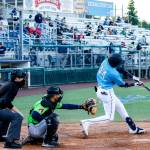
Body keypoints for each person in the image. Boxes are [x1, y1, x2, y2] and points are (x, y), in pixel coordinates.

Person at [80, 53, 145, 137]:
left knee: (120, 107)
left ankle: (133, 128)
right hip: (107, 93)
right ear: (115, 63)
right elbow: (123, 85)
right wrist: (136, 84)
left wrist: (133, 77)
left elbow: (120, 69)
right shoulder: (113, 74)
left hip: (101, 89)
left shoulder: (105, 61)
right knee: (109, 117)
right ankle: (86, 122)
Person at [23, 86, 88, 148]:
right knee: (53, 118)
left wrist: (81, 106)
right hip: (34, 129)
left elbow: (65, 106)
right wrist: (46, 121)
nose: (60, 96)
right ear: (53, 95)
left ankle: (35, 139)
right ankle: (47, 142)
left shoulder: (52, 101)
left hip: (36, 128)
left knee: (54, 137)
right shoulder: (45, 103)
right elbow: (34, 114)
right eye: (58, 94)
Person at [0, 70, 26, 149]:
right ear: (16, 79)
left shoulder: (11, 84)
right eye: (22, 78)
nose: (24, 79)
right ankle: (10, 142)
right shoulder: (13, 86)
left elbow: (4, 102)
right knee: (17, 117)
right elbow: (6, 103)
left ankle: (1, 135)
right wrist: (19, 113)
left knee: (9, 113)